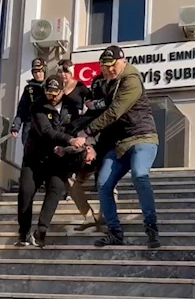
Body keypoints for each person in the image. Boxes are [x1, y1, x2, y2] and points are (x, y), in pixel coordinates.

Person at [74, 45, 161, 248]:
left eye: (112, 66)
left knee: (140, 174)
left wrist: (86, 133)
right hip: (120, 144)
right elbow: (99, 108)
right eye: (105, 67)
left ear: (123, 61)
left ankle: (151, 228)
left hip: (143, 138)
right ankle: (115, 232)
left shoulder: (131, 80)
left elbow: (114, 112)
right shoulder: (109, 83)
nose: (109, 70)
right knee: (103, 184)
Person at [16, 75, 82, 248]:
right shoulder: (37, 106)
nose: (51, 97)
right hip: (34, 158)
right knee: (25, 192)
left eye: (55, 94)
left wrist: (70, 147)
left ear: (62, 91)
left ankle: (42, 231)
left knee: (56, 189)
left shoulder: (71, 106)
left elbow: (76, 127)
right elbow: (46, 131)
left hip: (58, 158)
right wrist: (69, 140)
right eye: (48, 93)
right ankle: (24, 232)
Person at [10, 57, 46, 144]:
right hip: (30, 125)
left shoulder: (50, 86)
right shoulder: (28, 88)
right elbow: (22, 110)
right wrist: (15, 126)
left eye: (40, 71)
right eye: (35, 72)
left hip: (47, 125)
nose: (38, 74)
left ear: (45, 71)